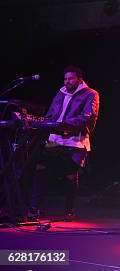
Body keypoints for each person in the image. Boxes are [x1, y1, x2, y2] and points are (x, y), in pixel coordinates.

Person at [29, 65, 99, 221]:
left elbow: (88, 116)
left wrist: (63, 125)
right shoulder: (61, 93)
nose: (67, 81)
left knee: (70, 176)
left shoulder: (90, 94)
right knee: (41, 169)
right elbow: (51, 114)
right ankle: (33, 208)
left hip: (75, 141)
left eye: (71, 78)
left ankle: (69, 210)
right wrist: (42, 123)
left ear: (80, 79)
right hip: (55, 139)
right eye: (65, 79)